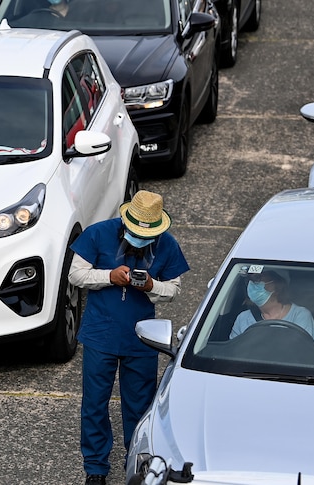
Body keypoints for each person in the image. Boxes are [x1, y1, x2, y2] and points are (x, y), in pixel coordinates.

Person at [67, 190, 190, 485]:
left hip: (143, 338)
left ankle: (136, 463)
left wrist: (150, 285)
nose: (140, 240)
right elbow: (76, 275)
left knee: (139, 405)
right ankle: (95, 469)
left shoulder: (167, 245)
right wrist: (109, 276)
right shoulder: (98, 234)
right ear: (125, 221)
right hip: (101, 333)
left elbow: (173, 289)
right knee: (95, 404)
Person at [229, 269, 314, 343]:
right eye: (251, 280)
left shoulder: (300, 315)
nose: (253, 285)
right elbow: (234, 353)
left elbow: (305, 353)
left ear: (278, 285)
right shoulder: (243, 318)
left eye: (259, 279)